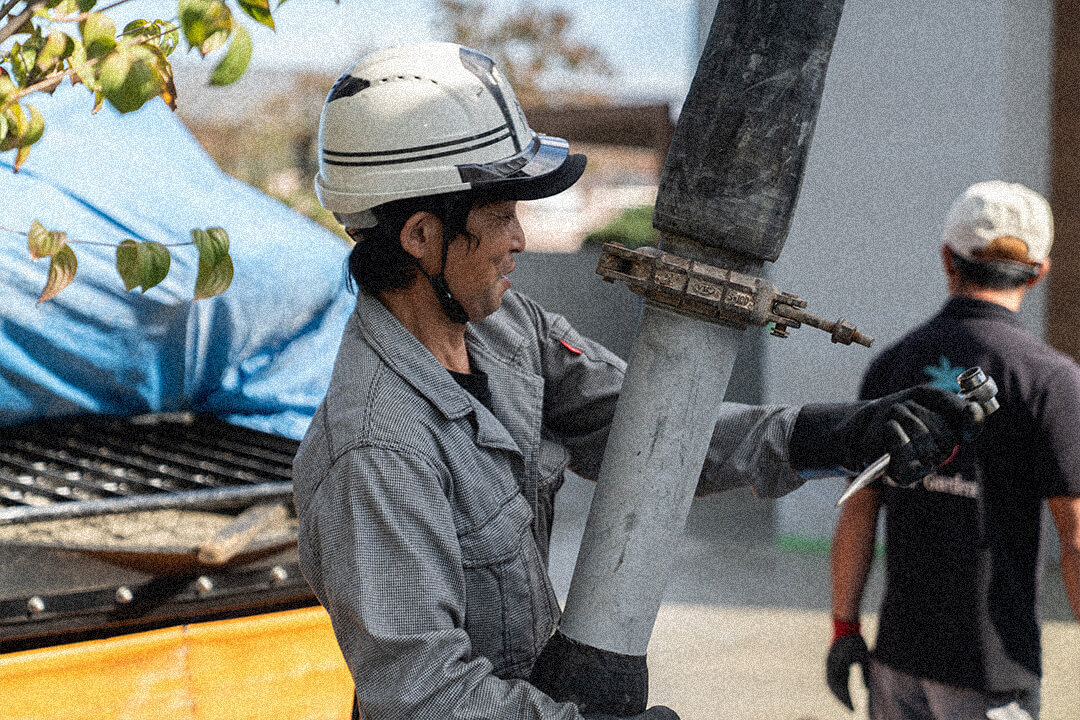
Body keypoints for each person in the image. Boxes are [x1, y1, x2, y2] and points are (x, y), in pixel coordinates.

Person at [291, 41, 976, 720]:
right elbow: (427, 698)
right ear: (419, 236)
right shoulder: (373, 452)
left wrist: (831, 434)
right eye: (502, 214)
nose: (520, 239)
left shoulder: (504, 330)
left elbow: (651, 433)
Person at [826, 181, 1080, 720]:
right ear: (1039, 271)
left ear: (948, 259)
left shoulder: (891, 367)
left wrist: (845, 627)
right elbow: (1077, 538)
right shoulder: (1052, 383)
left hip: (896, 665)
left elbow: (859, 508)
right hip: (991, 669)